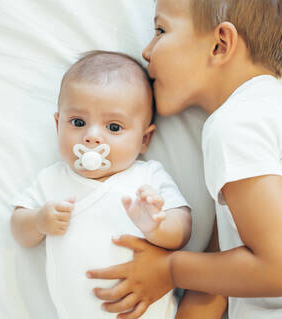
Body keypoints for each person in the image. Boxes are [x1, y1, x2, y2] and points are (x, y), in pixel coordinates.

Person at [86, 1, 282, 319]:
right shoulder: (261, 115)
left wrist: (171, 269)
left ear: (220, 44)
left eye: (160, 30)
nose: (146, 50)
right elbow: (217, 277)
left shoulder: (236, 123)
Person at [10, 50, 191, 319]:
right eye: (78, 123)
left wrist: (157, 226)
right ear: (58, 124)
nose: (92, 137)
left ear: (144, 139)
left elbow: (184, 229)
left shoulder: (147, 177)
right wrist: (37, 221)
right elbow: (18, 229)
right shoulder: (51, 180)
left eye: (114, 127)